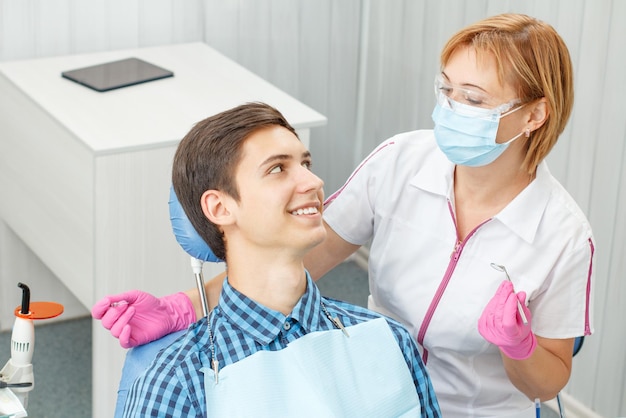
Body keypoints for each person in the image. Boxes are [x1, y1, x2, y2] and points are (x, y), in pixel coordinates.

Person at [93, 13, 595, 417]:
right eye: (447, 91)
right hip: (371, 376)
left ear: (533, 115)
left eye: (473, 99)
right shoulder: (402, 161)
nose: (451, 109)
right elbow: (297, 254)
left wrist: (518, 345)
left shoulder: (563, 234)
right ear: (219, 207)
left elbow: (551, 378)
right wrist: (185, 306)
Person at [106, 102, 441, 417]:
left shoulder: (388, 340)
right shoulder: (178, 383)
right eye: (278, 168)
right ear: (220, 208)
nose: (313, 182)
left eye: (305, 164)